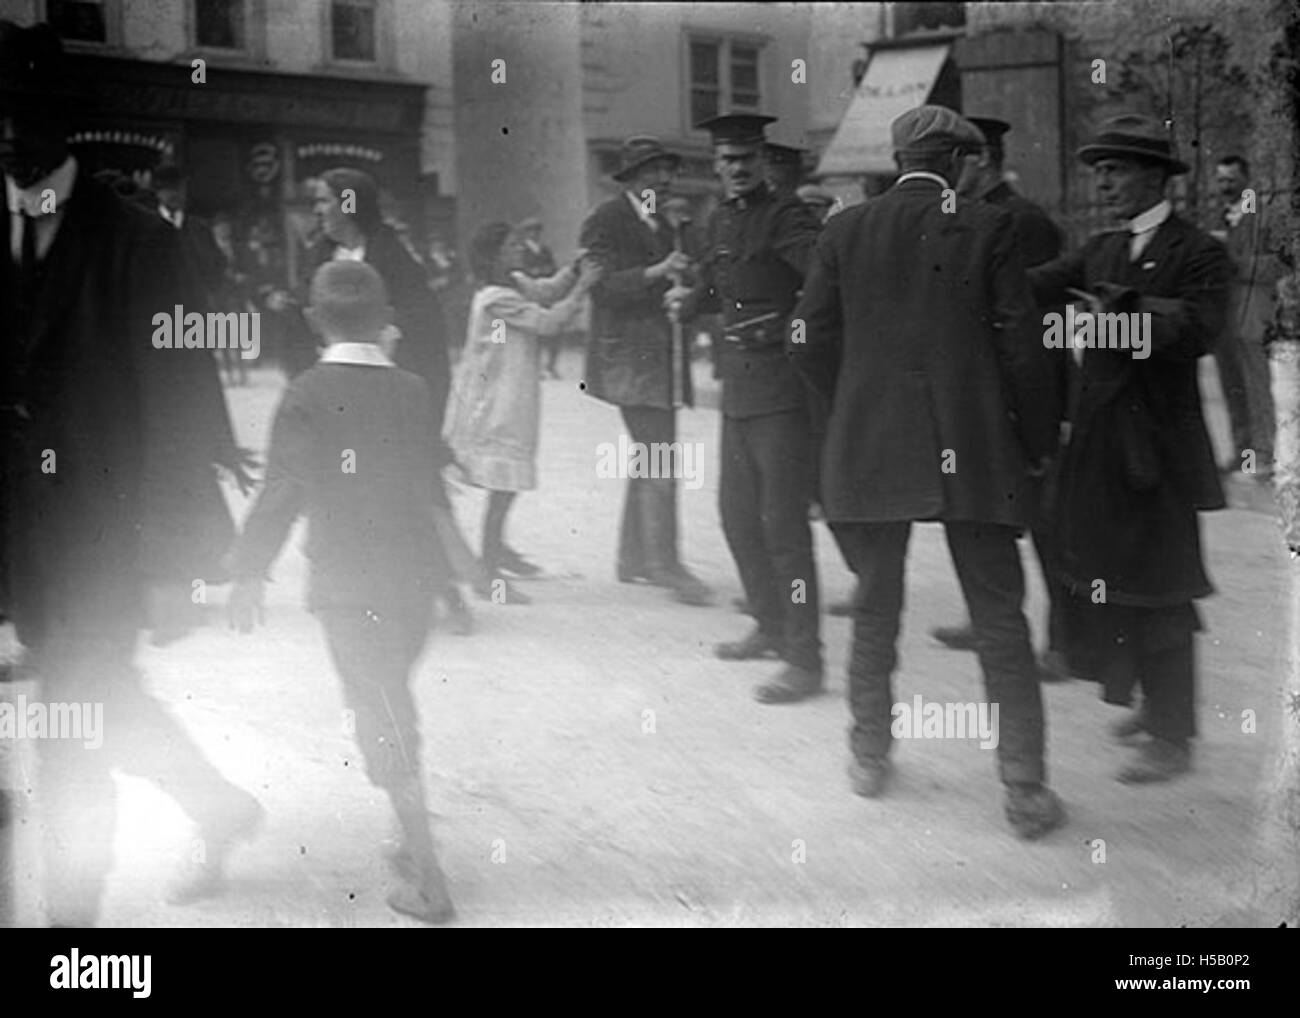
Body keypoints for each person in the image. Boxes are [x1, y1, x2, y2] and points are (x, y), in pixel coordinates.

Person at [0, 20, 260, 924]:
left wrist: (175, 563)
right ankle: (219, 806)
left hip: (109, 536)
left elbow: (185, 407)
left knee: (65, 727)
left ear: (63, 125)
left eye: (22, 114)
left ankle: (69, 935)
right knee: (98, 697)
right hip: (21, 538)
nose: (4, 134)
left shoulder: (140, 241)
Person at [791, 105, 1065, 837]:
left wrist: (851, 404)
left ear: (899, 155)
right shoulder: (989, 226)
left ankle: (869, 753)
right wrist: (1034, 440)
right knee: (999, 615)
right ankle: (1023, 783)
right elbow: (1021, 345)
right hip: (974, 447)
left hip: (872, 443)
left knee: (875, 604)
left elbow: (809, 337)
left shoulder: (845, 227)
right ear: (956, 162)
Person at [226, 260, 456, 923]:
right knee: (390, 699)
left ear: (309, 319)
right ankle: (407, 829)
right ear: (386, 317)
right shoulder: (412, 388)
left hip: (347, 585)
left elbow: (285, 488)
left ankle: (430, 877)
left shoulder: (305, 391)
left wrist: (249, 569)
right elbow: (429, 477)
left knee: (382, 714)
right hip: (413, 580)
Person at [1026, 113, 1231, 784]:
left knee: (1164, 585)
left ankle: (1175, 735)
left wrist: (1113, 319)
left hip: (1159, 451)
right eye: (1100, 173)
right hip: (1102, 443)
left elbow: (1197, 332)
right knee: (1117, 576)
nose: (1104, 184)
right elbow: (1039, 286)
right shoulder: (1102, 248)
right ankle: (1150, 705)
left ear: (1153, 177)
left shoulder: (1199, 251)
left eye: (1115, 171)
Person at [666, 113, 825, 705]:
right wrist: (689, 302)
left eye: (746, 160)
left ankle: (806, 659)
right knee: (737, 516)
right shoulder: (721, 218)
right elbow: (719, 283)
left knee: (783, 527)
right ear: (716, 165)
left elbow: (823, 281)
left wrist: (791, 329)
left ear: (762, 161)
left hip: (781, 391)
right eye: (727, 160)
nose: (736, 169)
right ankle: (770, 623)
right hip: (739, 389)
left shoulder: (786, 214)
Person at [926, 116, 1070, 681]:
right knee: (985, 512)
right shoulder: (964, 220)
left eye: (957, 161)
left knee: (1045, 523)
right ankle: (982, 613)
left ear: (981, 161)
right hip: (983, 391)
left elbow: (1036, 321)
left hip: (1025, 388)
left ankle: (1063, 642)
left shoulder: (1023, 221)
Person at [305, 168, 478, 633]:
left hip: (392, 397)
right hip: (339, 396)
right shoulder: (320, 255)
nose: (318, 210)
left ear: (349, 204)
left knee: (411, 491)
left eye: (325, 200)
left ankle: (445, 590)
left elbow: (427, 333)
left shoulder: (393, 257)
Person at [579, 135, 713, 607]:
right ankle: (665, 564)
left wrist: (684, 269)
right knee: (660, 455)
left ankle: (633, 558)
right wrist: (658, 272)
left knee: (650, 452)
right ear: (632, 177)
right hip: (628, 360)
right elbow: (600, 287)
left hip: (659, 359)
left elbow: (691, 268)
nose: (663, 179)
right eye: (653, 171)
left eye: (667, 171)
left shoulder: (664, 221)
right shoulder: (606, 218)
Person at [444, 223, 601, 599]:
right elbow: (548, 321)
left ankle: (497, 553)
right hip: (494, 400)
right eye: (512, 245)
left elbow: (545, 290)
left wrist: (574, 270)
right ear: (492, 255)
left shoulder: (511, 283)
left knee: (506, 483)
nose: (520, 250)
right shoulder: (497, 298)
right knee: (504, 485)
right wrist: (584, 286)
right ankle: (490, 568)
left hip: (502, 392)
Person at [1211, 155, 1282, 482]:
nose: (1225, 186)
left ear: (1246, 179)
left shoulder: (1262, 216)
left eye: (1231, 180)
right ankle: (1243, 452)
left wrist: (1232, 260)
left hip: (1253, 312)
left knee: (1255, 387)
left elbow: (1279, 264)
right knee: (1232, 386)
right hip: (1226, 314)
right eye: (1221, 180)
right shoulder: (1225, 216)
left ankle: (1263, 456)